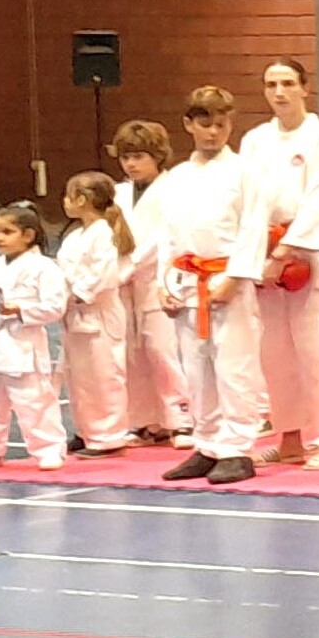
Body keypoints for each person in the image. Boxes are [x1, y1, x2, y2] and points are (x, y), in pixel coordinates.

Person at [150, 86, 272, 485]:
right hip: (187, 280)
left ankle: (237, 447)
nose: (214, 132)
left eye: (221, 124)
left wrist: (236, 276)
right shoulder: (176, 178)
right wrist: (164, 282)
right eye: (205, 124)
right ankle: (207, 443)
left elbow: (254, 228)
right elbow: (167, 235)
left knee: (234, 367)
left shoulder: (245, 173)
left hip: (226, 280)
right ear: (188, 124)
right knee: (196, 369)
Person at [239, 59, 319, 468]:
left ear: (304, 88)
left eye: (287, 83)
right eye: (271, 84)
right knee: (275, 353)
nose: (279, 92)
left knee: (317, 348)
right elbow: (246, 200)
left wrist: (287, 250)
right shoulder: (254, 140)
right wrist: (257, 253)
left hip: (308, 250)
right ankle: (290, 439)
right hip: (264, 251)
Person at [0, 202, 69, 470]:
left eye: (7, 232)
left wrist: (19, 310)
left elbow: (55, 307)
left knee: (34, 401)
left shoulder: (45, 267)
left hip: (24, 342)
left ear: (28, 235)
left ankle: (48, 449)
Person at [110, 121, 190, 447]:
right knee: (133, 351)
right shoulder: (118, 193)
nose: (131, 164)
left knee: (162, 348)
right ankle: (144, 421)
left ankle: (181, 419)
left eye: (139, 156)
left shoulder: (174, 188)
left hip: (159, 276)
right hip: (124, 280)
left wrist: (132, 264)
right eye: (126, 157)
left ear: (158, 155)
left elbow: (163, 237)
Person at [55, 173, 137, 457]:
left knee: (104, 376)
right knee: (78, 378)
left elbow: (103, 275)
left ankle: (109, 437)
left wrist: (77, 293)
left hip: (98, 312)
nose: (65, 202)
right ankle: (87, 430)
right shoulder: (74, 236)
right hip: (74, 314)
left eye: (68, 196)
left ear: (82, 200)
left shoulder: (104, 233)